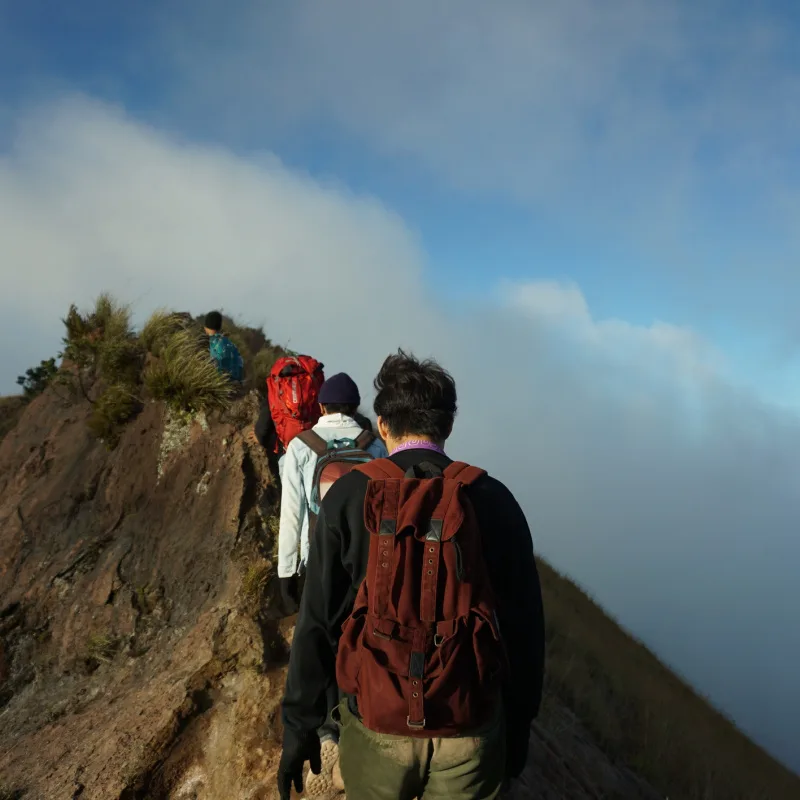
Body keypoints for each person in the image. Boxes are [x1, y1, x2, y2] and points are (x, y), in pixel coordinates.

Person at [277, 351, 545, 800]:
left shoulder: (347, 496)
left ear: (383, 425)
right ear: (448, 425)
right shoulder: (493, 499)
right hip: (468, 723)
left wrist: (299, 726)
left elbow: (318, 621)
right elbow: (525, 631)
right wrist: (518, 731)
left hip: (376, 720)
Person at [277, 372, 388, 612]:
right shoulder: (376, 447)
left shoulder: (301, 446)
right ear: (355, 408)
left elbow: (291, 513)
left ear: (321, 407)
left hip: (317, 557)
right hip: (365, 563)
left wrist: (286, 572)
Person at [203, 311, 244, 382]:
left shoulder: (212, 342)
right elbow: (240, 363)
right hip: (236, 383)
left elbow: (215, 366)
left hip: (222, 384)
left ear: (206, 328)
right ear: (219, 327)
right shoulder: (230, 343)